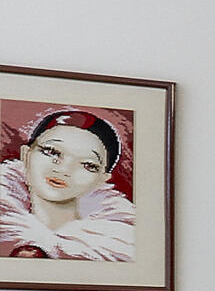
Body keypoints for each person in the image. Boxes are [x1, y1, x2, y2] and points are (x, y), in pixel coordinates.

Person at [1, 108, 136, 260]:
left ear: (101, 179)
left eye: (88, 165)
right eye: (51, 151)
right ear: (26, 155)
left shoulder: (121, 249)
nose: (64, 170)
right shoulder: (6, 233)